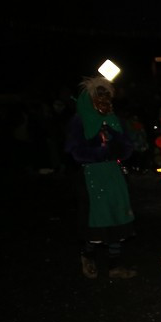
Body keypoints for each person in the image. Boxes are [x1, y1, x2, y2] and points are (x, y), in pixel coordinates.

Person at [65, 76, 137, 280]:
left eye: (106, 95)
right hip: (91, 176)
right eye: (99, 94)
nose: (103, 99)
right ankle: (87, 255)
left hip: (113, 174)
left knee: (117, 216)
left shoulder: (114, 120)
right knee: (96, 220)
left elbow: (127, 146)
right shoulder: (80, 121)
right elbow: (74, 151)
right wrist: (100, 151)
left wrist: (116, 147)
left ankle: (115, 264)